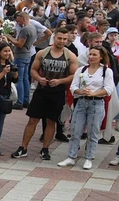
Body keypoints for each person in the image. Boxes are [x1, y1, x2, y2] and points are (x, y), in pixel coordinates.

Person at [12, 27, 79, 161]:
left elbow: (74, 75)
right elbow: (33, 70)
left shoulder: (70, 56)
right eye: (59, 38)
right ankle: (23, 147)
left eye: (64, 39)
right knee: (32, 120)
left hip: (58, 92)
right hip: (42, 90)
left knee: (51, 121)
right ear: (54, 37)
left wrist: (60, 81)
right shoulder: (43, 52)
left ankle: (45, 149)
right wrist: (39, 79)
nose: (62, 41)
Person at [58, 46, 116, 170]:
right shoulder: (81, 70)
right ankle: (71, 157)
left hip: (97, 103)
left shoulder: (106, 71)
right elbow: (73, 87)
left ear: (101, 56)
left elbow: (109, 89)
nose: (91, 57)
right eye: (90, 54)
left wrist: (94, 93)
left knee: (93, 132)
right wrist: (81, 91)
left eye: (95, 55)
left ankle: (89, 157)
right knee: (75, 130)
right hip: (82, 102)